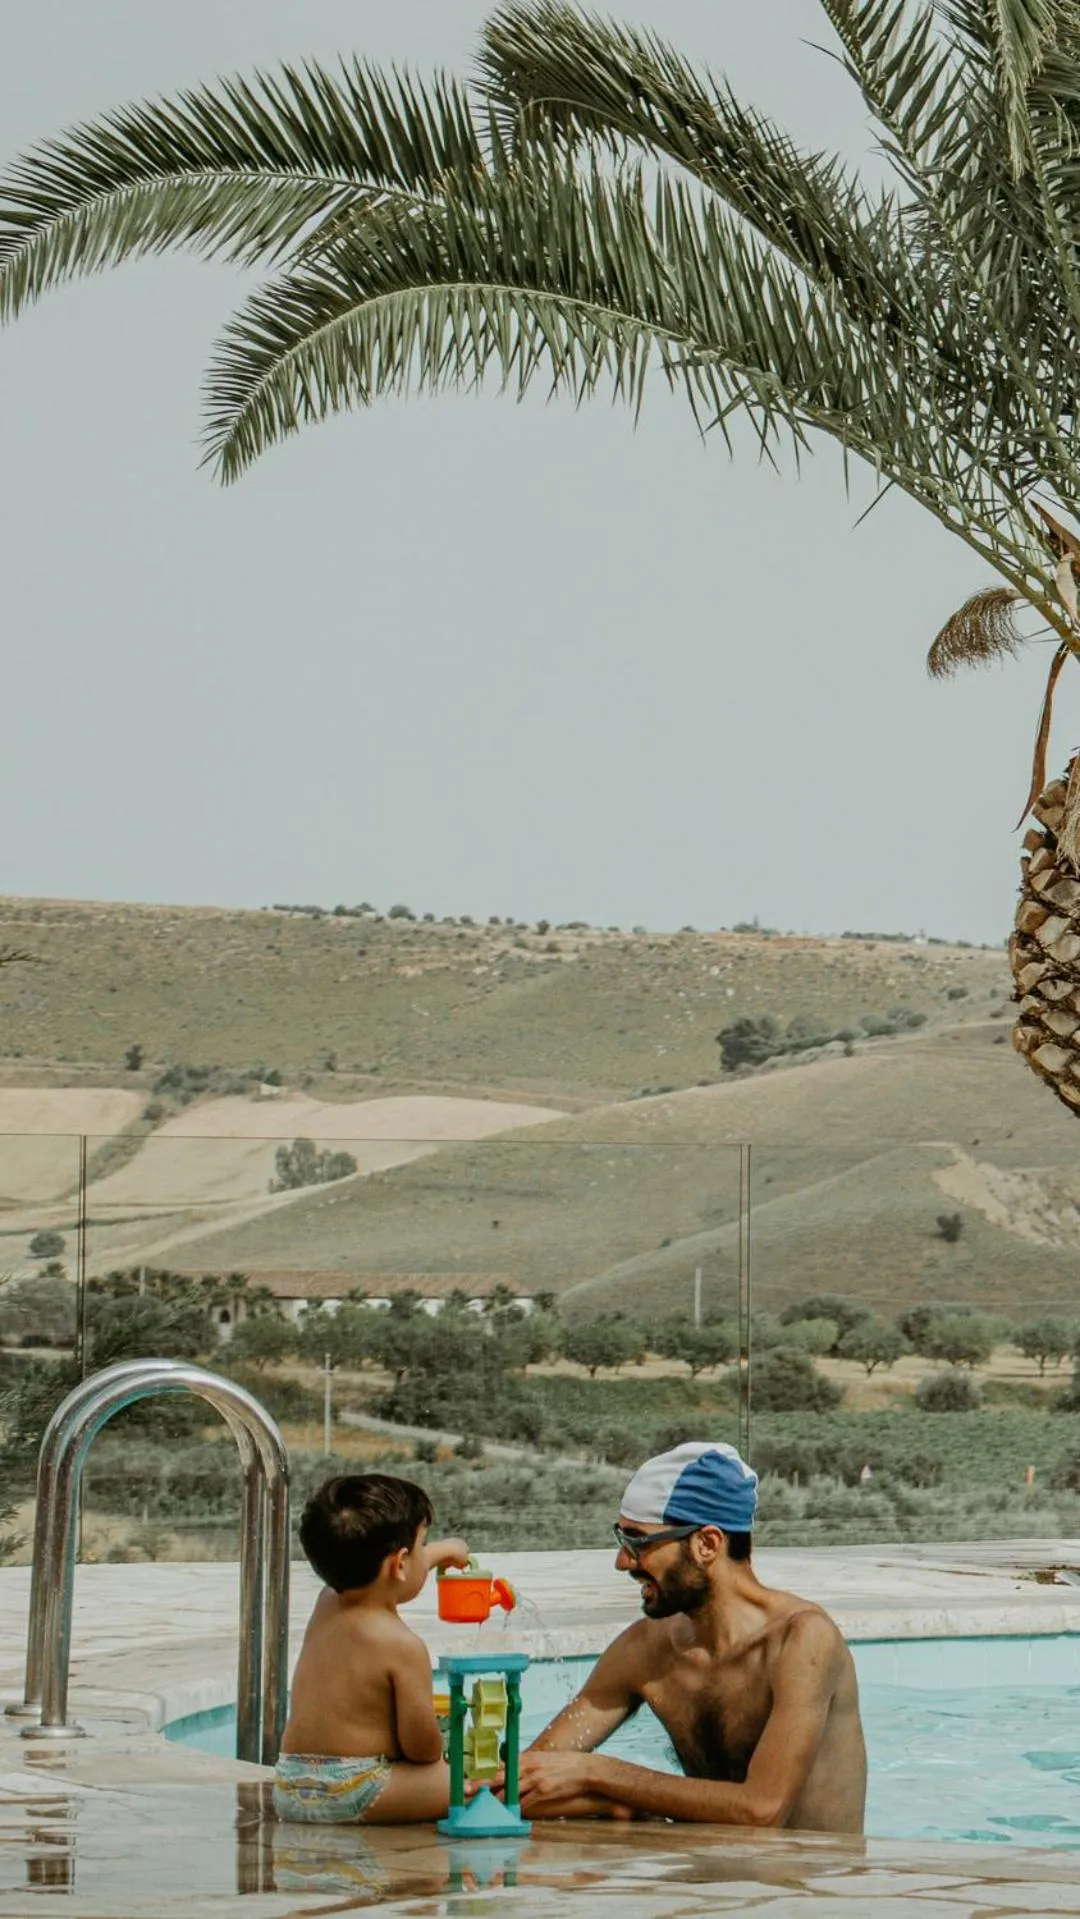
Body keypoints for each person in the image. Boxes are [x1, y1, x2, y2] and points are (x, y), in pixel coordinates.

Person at [518, 1440, 866, 1832]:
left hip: (811, 1885)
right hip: (711, 1877)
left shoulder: (802, 1641)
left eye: (638, 1541)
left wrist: (599, 1775)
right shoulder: (646, 1648)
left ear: (707, 1544)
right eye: (621, 1539)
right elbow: (530, 1777)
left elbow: (764, 1809)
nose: (622, 1562)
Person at [273, 1473, 469, 1825]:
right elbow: (421, 1750)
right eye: (424, 1547)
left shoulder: (327, 1603)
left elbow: (395, 1567)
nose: (428, 1554)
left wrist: (443, 1551)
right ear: (399, 1563)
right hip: (354, 1790)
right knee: (454, 1781)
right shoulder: (402, 1645)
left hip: (291, 1784)